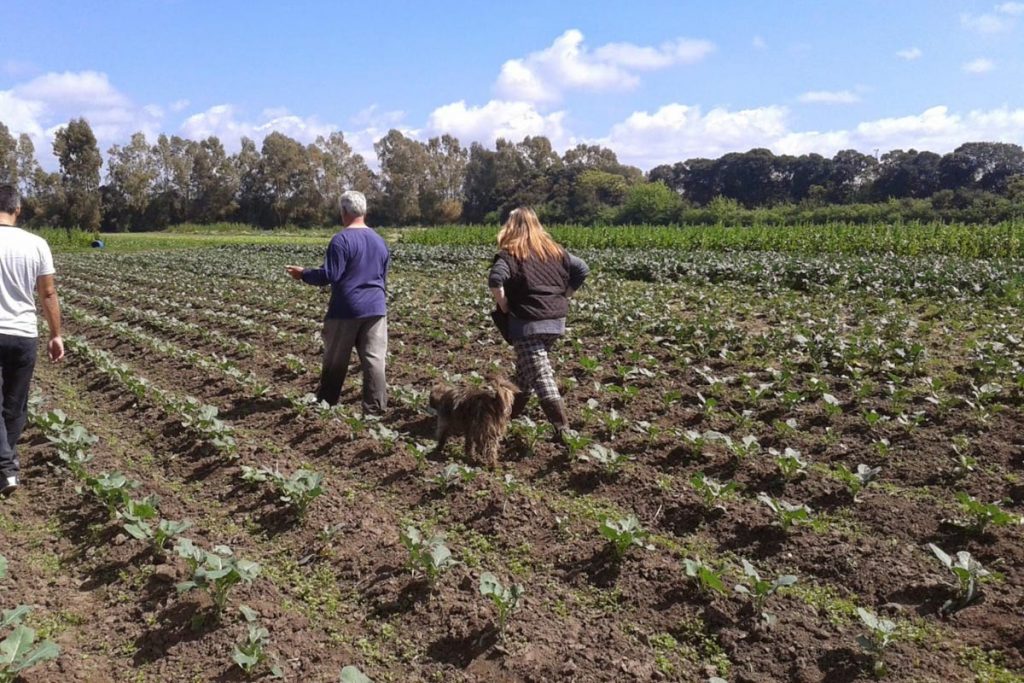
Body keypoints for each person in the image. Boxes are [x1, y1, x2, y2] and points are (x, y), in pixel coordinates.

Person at [488, 207, 589, 444]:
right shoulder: (555, 251)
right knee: (525, 376)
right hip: (555, 322)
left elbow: (495, 280)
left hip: (527, 324)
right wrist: (566, 294)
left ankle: (563, 430)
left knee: (541, 375)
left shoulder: (510, 254)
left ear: (511, 227)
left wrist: (504, 306)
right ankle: (502, 421)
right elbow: (582, 268)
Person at [286, 190, 389, 413]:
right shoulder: (380, 242)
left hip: (347, 309)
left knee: (336, 359)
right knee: (374, 360)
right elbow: (383, 277)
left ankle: (327, 403)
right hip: (376, 308)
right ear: (364, 211)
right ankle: (375, 409)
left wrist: (303, 274)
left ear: (343, 212)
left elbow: (330, 275)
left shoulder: (341, 240)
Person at [0, 185, 64, 498]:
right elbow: (48, 293)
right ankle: (7, 468)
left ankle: (6, 467)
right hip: (24, 334)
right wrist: (56, 334)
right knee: (14, 405)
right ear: (18, 209)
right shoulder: (36, 244)